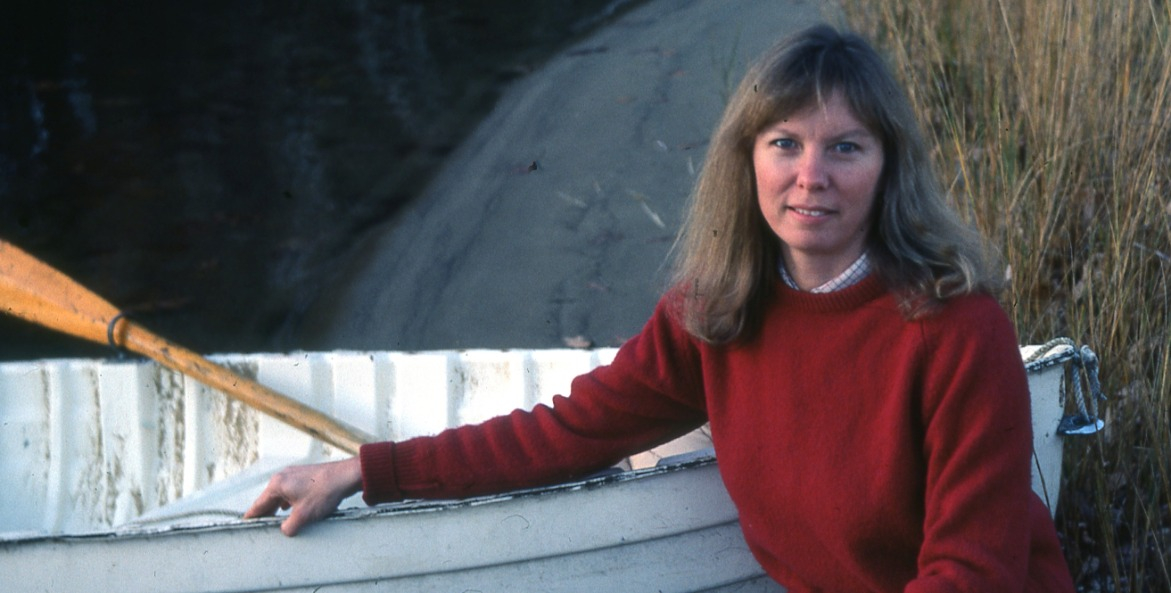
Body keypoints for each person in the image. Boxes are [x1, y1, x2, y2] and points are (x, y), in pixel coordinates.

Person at [246, 23, 1076, 592]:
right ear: (745, 159)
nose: (809, 175)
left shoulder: (954, 329)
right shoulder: (715, 315)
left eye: (844, 147)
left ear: (886, 167)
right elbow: (563, 433)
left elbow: (970, 571)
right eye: (783, 142)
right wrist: (365, 469)